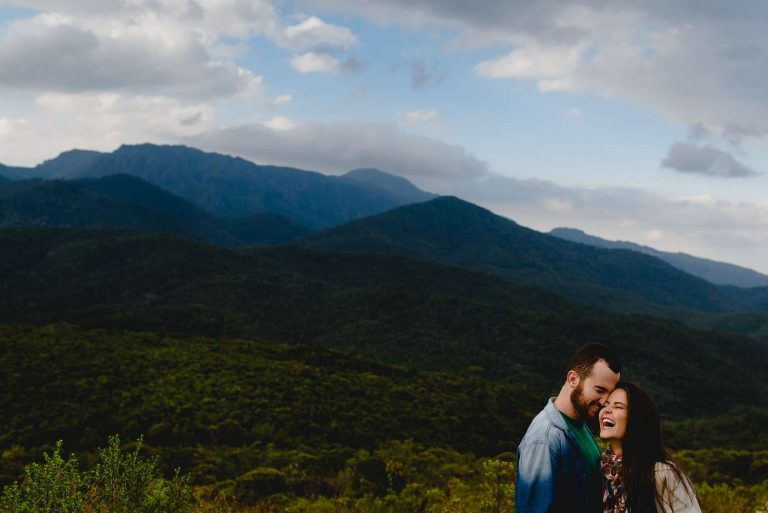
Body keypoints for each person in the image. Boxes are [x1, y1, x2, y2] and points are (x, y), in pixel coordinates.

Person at [516, 342, 622, 513]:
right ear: (573, 379)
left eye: (608, 393)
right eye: (599, 390)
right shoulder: (544, 439)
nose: (604, 401)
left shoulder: (580, 424)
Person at [599, 381, 701, 513]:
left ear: (636, 418)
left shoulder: (661, 473)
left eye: (618, 407)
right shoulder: (601, 470)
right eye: (605, 405)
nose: (606, 410)